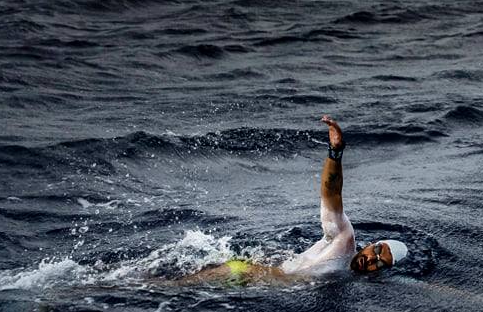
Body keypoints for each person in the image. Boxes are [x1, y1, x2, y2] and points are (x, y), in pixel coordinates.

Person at [170, 115, 407, 284]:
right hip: (245, 274)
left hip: (258, 287)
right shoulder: (344, 241)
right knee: (167, 289)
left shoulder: (347, 277)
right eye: (377, 249)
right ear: (370, 243)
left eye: (380, 262)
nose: (371, 259)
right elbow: (332, 194)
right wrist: (335, 153)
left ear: (381, 273)